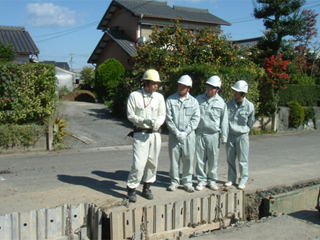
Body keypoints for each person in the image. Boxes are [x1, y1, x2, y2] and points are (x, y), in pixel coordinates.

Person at [126, 69, 166, 202]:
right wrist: (143, 121)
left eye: (157, 83)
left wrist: (156, 124)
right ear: (146, 83)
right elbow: (130, 115)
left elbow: (162, 115)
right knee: (138, 163)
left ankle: (147, 187)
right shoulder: (135, 96)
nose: (156, 86)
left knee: (152, 162)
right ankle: (131, 188)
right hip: (140, 133)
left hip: (155, 134)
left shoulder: (159, 97)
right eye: (154, 83)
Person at [165, 75, 200, 193]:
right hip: (174, 135)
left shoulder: (194, 102)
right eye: (180, 85)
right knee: (174, 160)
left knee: (188, 159)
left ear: (189, 88)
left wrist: (186, 132)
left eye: (184, 86)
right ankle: (174, 182)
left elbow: (196, 119)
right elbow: (168, 118)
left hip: (189, 136)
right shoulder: (170, 100)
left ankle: (187, 182)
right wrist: (176, 132)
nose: (181, 88)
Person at [195, 75, 228, 191]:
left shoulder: (221, 102)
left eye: (212, 88)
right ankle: (201, 180)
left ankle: (212, 180)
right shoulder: (198, 99)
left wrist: (224, 137)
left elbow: (224, 120)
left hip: (213, 134)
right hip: (200, 132)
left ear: (217, 90)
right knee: (200, 159)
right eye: (208, 86)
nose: (209, 89)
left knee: (213, 159)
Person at [225, 80, 255, 190]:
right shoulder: (228, 104)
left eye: (236, 91)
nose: (234, 93)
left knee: (243, 159)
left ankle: (243, 180)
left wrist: (244, 130)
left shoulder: (249, 106)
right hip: (230, 135)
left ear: (242, 93)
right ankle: (231, 178)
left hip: (242, 136)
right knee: (230, 158)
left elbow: (250, 122)